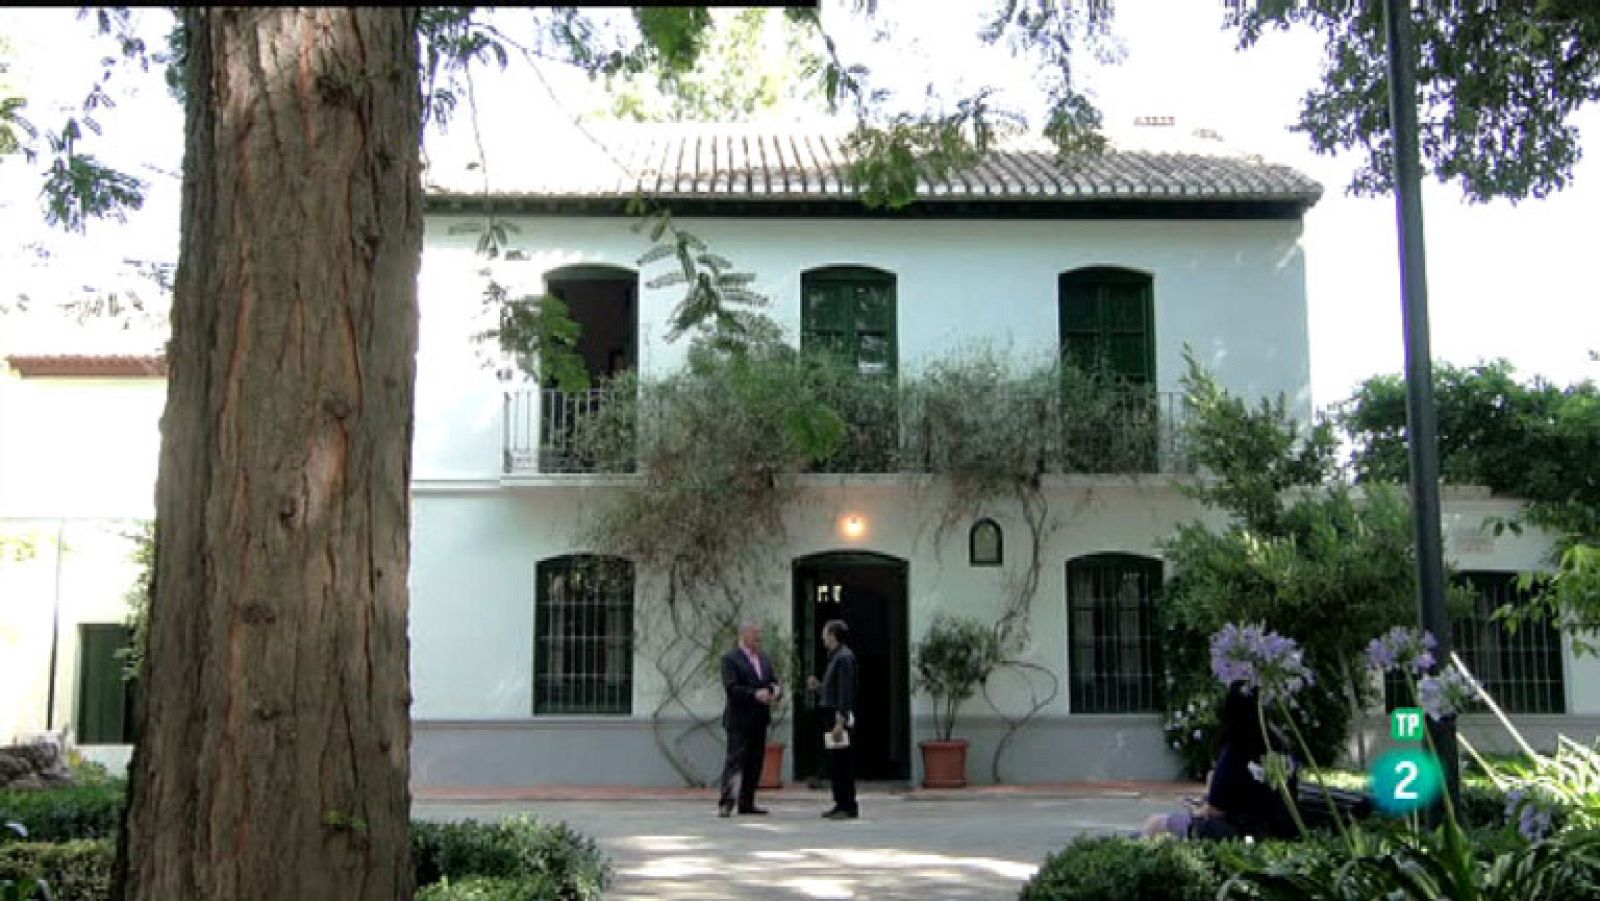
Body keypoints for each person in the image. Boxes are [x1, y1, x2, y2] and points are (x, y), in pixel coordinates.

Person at [1142, 681, 1298, 841]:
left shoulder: (1237, 752)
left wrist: (1198, 810)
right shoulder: (1283, 749)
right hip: (1279, 832)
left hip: (1241, 835)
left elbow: (1215, 811)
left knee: (1156, 823)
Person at [719, 620, 781, 817]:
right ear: (744, 634)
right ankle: (727, 802)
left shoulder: (763, 658)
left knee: (755, 762)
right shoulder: (730, 659)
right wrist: (755, 694)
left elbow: (773, 681)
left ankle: (747, 802)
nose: (758, 637)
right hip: (739, 720)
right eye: (755, 633)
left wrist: (775, 691)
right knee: (735, 761)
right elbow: (731, 688)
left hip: (759, 719)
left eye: (759, 633)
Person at [807, 619, 859, 820]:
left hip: (838, 718)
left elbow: (845, 693)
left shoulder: (844, 658)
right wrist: (820, 687)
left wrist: (840, 720)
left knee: (842, 762)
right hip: (831, 715)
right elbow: (834, 690)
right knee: (835, 762)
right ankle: (839, 803)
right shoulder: (834, 657)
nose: (822, 638)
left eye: (825, 634)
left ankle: (848, 805)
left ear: (833, 635)